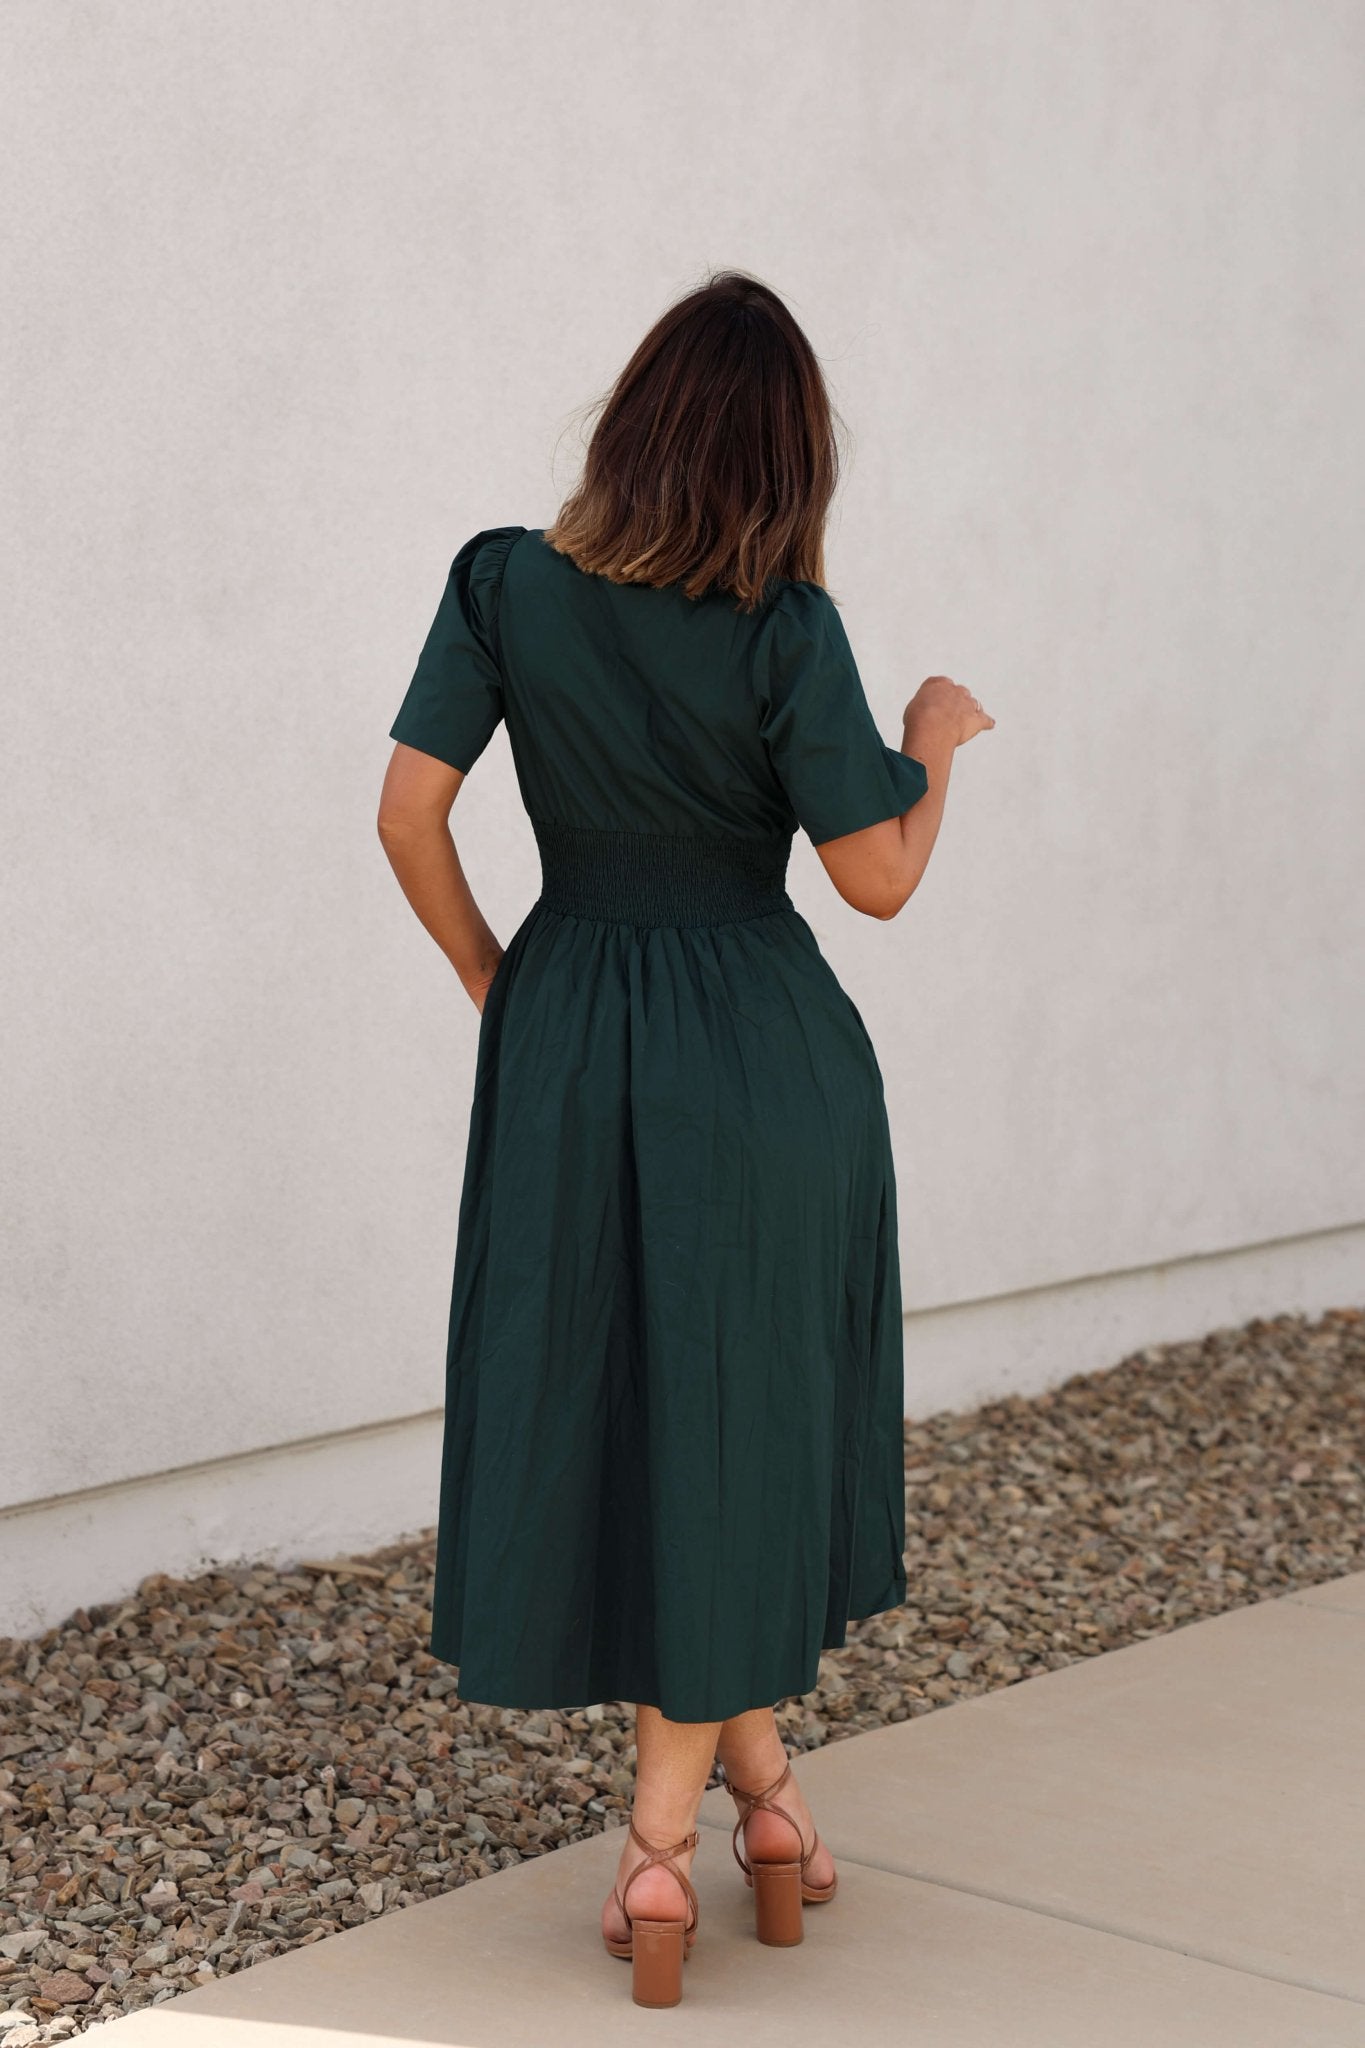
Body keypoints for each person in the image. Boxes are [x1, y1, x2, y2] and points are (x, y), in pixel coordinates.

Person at [377, 267, 993, 2009]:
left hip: (575, 1030)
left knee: (643, 1409)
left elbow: (406, 812)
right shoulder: (788, 629)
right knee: (727, 1420)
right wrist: (932, 748)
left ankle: (751, 1807)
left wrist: (505, 975)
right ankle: (686, 1843)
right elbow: (874, 878)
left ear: (633, 422)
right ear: (787, 464)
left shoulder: (505, 584)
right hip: (764, 1052)